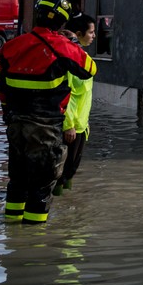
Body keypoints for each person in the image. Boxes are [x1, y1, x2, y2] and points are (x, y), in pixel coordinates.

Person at [0, 0, 92, 224]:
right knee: (41, 186)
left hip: (16, 123)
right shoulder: (62, 47)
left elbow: (1, 85)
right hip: (46, 126)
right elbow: (89, 69)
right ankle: (33, 243)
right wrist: (71, 43)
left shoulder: (11, 46)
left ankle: (11, 230)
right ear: (62, 21)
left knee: (17, 180)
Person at [54, 12, 98, 196]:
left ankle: (67, 209)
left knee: (70, 170)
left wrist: (83, 124)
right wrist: (68, 125)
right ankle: (57, 211)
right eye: (91, 32)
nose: (94, 36)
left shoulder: (81, 58)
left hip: (80, 126)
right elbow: (67, 96)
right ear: (79, 34)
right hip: (70, 127)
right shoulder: (70, 62)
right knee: (60, 174)